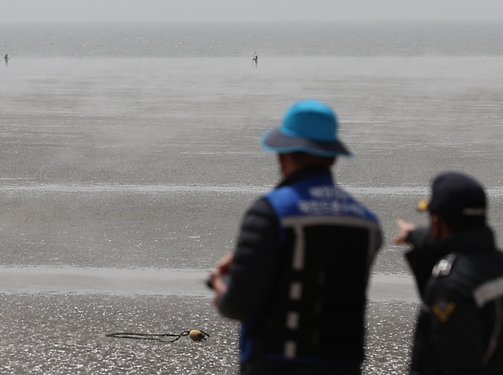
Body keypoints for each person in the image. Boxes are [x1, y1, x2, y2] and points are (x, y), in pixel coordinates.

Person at [208, 100, 381, 374]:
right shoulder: (366, 221)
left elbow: (239, 305)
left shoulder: (271, 212)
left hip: (278, 363)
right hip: (344, 364)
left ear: (281, 154)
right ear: (333, 157)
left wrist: (220, 285)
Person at [395, 172, 503, 374]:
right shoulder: (495, 264)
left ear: (436, 223)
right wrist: (414, 234)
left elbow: (455, 364)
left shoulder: (452, 285)